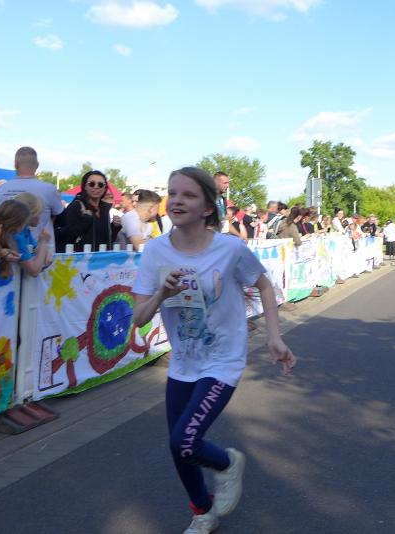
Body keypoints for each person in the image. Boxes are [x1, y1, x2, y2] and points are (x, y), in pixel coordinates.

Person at [131, 166, 295, 534]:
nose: (176, 200)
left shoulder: (230, 248)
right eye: (173, 193)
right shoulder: (155, 251)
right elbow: (138, 318)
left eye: (188, 195)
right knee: (179, 448)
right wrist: (161, 294)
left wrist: (274, 336)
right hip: (183, 362)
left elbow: (264, 286)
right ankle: (202, 512)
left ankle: (227, 463)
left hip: (223, 358)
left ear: (207, 208)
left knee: (185, 440)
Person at [0, 146, 64, 252]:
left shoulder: (3, 189)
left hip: (10, 249)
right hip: (42, 250)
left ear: (15, 164)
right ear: (37, 165)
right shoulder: (48, 189)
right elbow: (59, 214)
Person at [55, 170, 113, 252]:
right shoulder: (76, 206)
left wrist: (115, 227)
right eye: (91, 184)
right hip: (80, 257)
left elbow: (105, 239)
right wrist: (85, 220)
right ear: (85, 187)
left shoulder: (104, 209)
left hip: (100, 257)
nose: (96, 187)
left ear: (104, 188)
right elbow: (66, 236)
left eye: (100, 184)